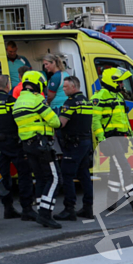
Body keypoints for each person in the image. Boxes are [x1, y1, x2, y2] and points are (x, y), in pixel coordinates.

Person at [94, 68, 133, 215]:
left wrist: (132, 138)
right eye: (119, 82)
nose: (121, 84)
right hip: (110, 139)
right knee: (124, 168)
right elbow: (95, 120)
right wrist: (102, 140)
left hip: (120, 138)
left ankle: (111, 201)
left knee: (115, 170)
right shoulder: (100, 96)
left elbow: (125, 120)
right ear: (111, 81)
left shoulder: (119, 96)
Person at [12, 71, 62, 229]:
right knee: (55, 178)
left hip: (28, 145)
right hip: (41, 144)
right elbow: (54, 121)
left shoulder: (18, 101)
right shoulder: (37, 99)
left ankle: (41, 210)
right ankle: (45, 214)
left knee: (40, 178)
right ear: (38, 84)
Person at [0, 75, 35, 221]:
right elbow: (18, 119)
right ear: (8, 85)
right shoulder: (10, 101)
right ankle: (27, 209)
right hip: (13, 143)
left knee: (3, 175)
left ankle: (8, 208)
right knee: (24, 174)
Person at [54, 75, 102, 221]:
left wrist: (50, 119)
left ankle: (69, 209)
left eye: (65, 87)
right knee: (84, 175)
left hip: (73, 144)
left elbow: (61, 123)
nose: (63, 89)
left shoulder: (70, 102)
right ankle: (88, 207)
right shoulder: (86, 101)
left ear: (73, 87)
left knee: (67, 175)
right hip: (85, 143)